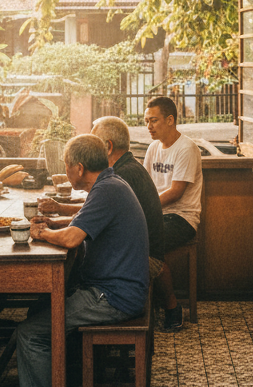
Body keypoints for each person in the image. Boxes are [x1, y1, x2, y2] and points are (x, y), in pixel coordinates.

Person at [3, 134, 149, 387]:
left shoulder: (107, 189)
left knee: (30, 333)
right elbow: (82, 221)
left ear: (79, 168)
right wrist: (55, 223)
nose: (66, 170)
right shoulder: (109, 184)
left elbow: (71, 239)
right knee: (40, 308)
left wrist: (41, 233)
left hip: (114, 296)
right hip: (118, 287)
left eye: (67, 165)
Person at [39, 116, 174, 324]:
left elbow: (76, 233)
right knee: (52, 298)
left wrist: (43, 231)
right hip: (127, 265)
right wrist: (57, 220)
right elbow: (91, 213)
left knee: (39, 322)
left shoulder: (119, 177)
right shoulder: (115, 174)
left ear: (107, 148)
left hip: (137, 267)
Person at [143, 95, 202, 331]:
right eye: (147, 121)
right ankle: (141, 307)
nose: (149, 126)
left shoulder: (186, 148)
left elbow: (176, 192)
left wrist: (145, 207)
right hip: (157, 214)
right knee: (128, 238)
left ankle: (171, 306)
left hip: (182, 217)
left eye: (154, 120)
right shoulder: (153, 148)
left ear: (170, 120)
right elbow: (146, 185)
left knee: (146, 244)